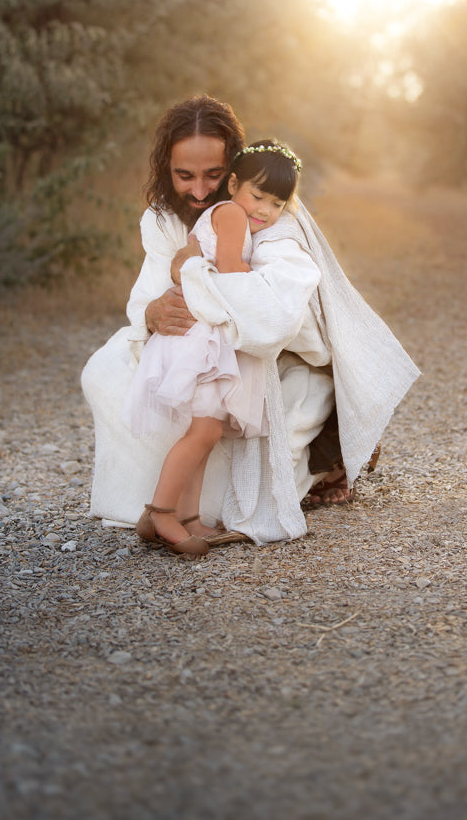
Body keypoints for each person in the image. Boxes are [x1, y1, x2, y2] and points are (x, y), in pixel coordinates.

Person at [81, 95, 419, 545]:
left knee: (234, 429)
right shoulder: (162, 219)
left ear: (234, 171)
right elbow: (144, 297)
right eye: (184, 176)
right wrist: (152, 312)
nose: (200, 191)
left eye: (213, 176)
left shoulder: (270, 217)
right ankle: (161, 506)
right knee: (104, 372)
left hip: (280, 361)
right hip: (199, 348)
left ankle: (331, 453)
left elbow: (272, 317)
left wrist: (193, 277)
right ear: (167, 170)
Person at [123, 140, 303, 556]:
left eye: (276, 205)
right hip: (198, 340)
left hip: (204, 339)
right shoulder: (231, 214)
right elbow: (231, 272)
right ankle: (159, 511)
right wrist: (263, 282)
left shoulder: (229, 214)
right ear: (234, 183)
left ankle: (188, 517)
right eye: (257, 196)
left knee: (206, 430)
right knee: (202, 432)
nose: (264, 211)